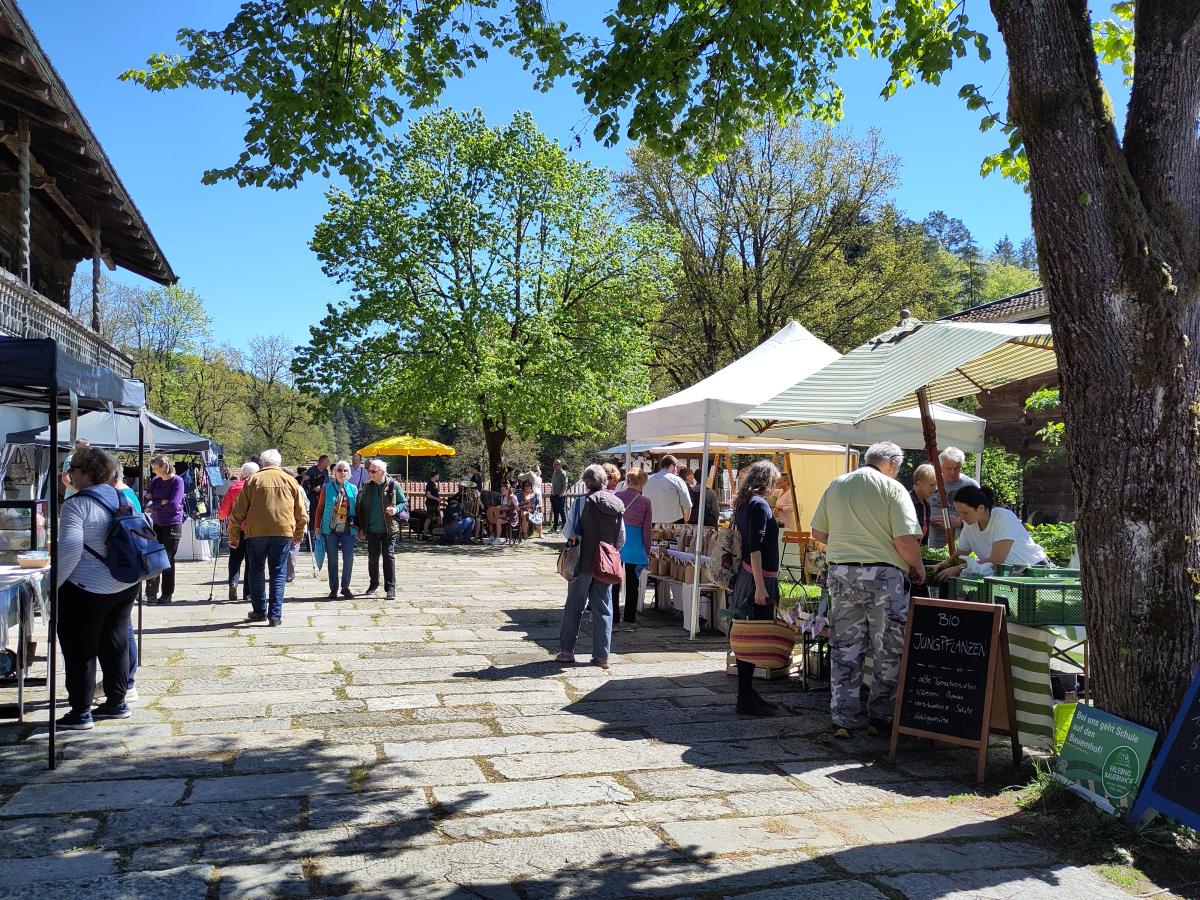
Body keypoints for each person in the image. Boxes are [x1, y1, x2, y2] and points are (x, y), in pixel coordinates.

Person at [811, 440, 925, 738]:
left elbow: (818, 532)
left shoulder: (837, 484)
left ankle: (843, 719)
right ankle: (880, 716)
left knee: (845, 647)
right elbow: (904, 540)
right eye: (897, 467)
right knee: (889, 648)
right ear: (891, 464)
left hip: (842, 572)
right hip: (884, 576)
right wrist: (919, 567)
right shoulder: (892, 488)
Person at [54, 446, 139, 729]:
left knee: (80, 649)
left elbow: (68, 550)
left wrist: (53, 587)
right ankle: (116, 703)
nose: (69, 475)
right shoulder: (120, 496)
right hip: (124, 584)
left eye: (73, 469)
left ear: (87, 473)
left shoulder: (77, 505)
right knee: (115, 643)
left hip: (86, 588)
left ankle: (80, 711)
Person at [556, 463, 625, 669]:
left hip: (581, 561)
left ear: (586, 483)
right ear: (605, 482)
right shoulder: (618, 505)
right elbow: (621, 539)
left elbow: (569, 532)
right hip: (606, 563)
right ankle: (602, 656)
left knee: (574, 607)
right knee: (603, 609)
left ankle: (567, 651)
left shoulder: (580, 503)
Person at [228, 449, 307, 626]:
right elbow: (302, 513)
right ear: (279, 463)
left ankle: (259, 611)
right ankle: (275, 615)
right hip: (283, 531)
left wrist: (234, 535)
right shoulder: (290, 481)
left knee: (255, 572)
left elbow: (237, 512)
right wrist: (298, 534)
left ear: (262, 464)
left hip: (256, 532)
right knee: (278, 573)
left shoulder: (252, 480)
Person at [731, 460, 784, 717]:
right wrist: (761, 587)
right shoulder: (759, 504)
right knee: (753, 636)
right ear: (768, 481)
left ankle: (748, 693)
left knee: (747, 635)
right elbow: (755, 546)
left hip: (748, 575)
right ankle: (745, 696)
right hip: (757, 578)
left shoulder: (744, 502)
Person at [936, 485, 1050, 579]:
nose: (961, 517)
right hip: (1010, 576)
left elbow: (995, 561)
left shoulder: (1004, 518)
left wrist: (959, 568)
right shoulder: (969, 526)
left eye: (965, 513)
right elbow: (958, 557)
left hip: (1035, 572)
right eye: (959, 513)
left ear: (980, 508)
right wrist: (939, 566)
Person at [109, 468, 142, 705]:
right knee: (123, 626)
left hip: (119, 570)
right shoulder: (127, 495)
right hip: (126, 570)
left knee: (122, 628)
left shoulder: (120, 498)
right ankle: (125, 680)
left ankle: (125, 681)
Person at [356, 459, 402, 599]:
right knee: (373, 558)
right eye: (369, 470)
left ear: (382, 472)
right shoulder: (367, 487)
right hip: (372, 528)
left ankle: (390, 588)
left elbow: (404, 502)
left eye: (373, 471)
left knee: (388, 557)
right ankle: (373, 584)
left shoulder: (394, 485)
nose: (370, 473)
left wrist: (395, 509)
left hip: (389, 528)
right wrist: (360, 528)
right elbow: (361, 506)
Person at [613, 467, 652, 630]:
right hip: (636, 544)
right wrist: (647, 550)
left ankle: (614, 618)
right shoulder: (645, 502)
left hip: (617, 542)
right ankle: (629, 619)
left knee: (613, 583)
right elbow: (647, 529)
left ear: (628, 481)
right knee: (632, 584)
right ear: (642, 483)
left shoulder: (616, 497)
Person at [314, 460, 359, 599]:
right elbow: (320, 508)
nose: (342, 472)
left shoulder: (353, 489)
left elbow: (357, 510)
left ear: (349, 473)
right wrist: (317, 526)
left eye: (345, 470)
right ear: (334, 473)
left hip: (348, 530)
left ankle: (345, 587)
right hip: (330, 530)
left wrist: (359, 528)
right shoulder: (326, 488)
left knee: (349, 559)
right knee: (332, 560)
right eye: (339, 470)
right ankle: (334, 588)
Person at [218, 462, 260, 602]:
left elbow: (224, 510)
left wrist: (221, 517)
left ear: (243, 474)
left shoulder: (234, 487)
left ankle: (233, 583)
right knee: (250, 561)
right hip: (253, 530)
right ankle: (247, 593)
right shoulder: (258, 487)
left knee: (235, 559)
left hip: (235, 529)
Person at [145, 455, 184, 605]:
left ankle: (167, 593)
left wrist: (154, 503)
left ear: (163, 467)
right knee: (154, 557)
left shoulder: (177, 481)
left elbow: (174, 504)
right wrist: (160, 502)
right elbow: (146, 501)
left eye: (155, 468)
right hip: (157, 523)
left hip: (172, 523)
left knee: (168, 558)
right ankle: (151, 593)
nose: (154, 472)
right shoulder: (155, 481)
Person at [926, 447, 979, 549]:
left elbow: (981, 515)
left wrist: (960, 523)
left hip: (960, 545)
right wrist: (927, 519)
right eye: (949, 468)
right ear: (940, 466)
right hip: (928, 541)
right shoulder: (931, 481)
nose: (953, 472)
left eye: (957, 468)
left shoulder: (971, 486)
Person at [642, 455, 693, 525]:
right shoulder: (677, 480)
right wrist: (686, 521)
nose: (677, 471)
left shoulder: (647, 480)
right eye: (677, 467)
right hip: (673, 522)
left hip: (650, 521)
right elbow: (687, 505)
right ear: (672, 466)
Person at [910, 463, 936, 546]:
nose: (935, 488)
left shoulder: (926, 505)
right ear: (919, 484)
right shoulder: (907, 502)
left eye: (936, 484)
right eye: (932, 484)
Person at [301, 455, 331, 523]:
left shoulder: (325, 471)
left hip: (323, 494)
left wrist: (321, 487)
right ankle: (312, 528)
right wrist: (301, 492)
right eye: (327, 461)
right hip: (312, 496)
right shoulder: (312, 470)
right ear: (322, 462)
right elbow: (304, 480)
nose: (329, 463)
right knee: (313, 512)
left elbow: (327, 482)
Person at [549, 459, 569, 533]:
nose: (555, 465)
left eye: (557, 464)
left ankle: (564, 528)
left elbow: (565, 485)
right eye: (555, 464)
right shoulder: (554, 473)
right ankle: (554, 527)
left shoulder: (563, 473)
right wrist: (551, 493)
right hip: (554, 495)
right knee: (555, 512)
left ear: (560, 465)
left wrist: (560, 494)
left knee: (562, 512)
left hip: (560, 496)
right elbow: (553, 484)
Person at [424, 469, 441, 536]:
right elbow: (428, 494)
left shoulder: (433, 484)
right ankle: (425, 534)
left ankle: (438, 533)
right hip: (431, 504)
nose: (439, 476)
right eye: (438, 475)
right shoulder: (430, 483)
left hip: (435, 504)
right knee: (429, 518)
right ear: (435, 475)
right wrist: (437, 499)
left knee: (438, 517)